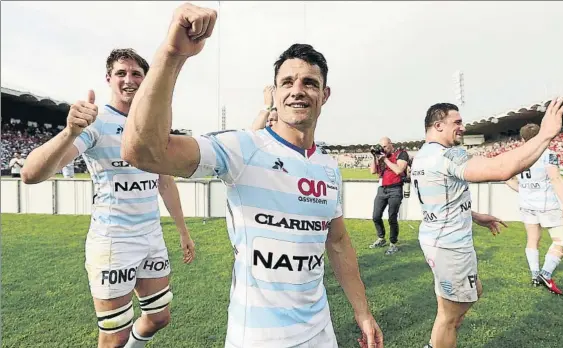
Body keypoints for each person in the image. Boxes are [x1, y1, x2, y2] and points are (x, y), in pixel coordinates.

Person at [121, 3, 383, 348]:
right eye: (287, 82)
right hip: (257, 337)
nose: (297, 90)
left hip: (320, 334)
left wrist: (362, 312)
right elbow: (142, 151)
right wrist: (172, 54)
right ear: (274, 94)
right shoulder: (243, 148)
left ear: (325, 94)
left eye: (310, 82)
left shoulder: (328, 167)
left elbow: (337, 241)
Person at [20, 48, 195, 348]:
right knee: (114, 338)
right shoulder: (97, 122)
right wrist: (70, 132)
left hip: (151, 237)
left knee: (160, 317)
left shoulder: (152, 124)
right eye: (121, 73)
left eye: (137, 74)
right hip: (113, 241)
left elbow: (164, 182)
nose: (129, 80)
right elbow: (30, 174)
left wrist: (183, 232)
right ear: (108, 79)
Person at [411, 99, 563, 348]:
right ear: (438, 125)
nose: (463, 127)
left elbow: (440, 199)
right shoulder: (446, 156)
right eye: (457, 122)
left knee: (467, 297)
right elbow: (502, 168)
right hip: (450, 247)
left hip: (437, 241)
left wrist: (473, 215)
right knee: (449, 317)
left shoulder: (423, 155)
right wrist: (546, 135)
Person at [505, 123, 563, 295]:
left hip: (527, 204)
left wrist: (524, 190)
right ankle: (545, 274)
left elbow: (507, 179)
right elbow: (555, 179)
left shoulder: (518, 156)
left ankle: (534, 275)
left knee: (533, 239)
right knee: (560, 240)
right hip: (547, 205)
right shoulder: (547, 154)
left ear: (522, 139)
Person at [368, 137, 409, 255]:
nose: (383, 149)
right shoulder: (381, 156)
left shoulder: (401, 154)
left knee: (392, 217)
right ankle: (381, 238)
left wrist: (385, 159)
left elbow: (399, 170)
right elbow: (372, 171)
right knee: (376, 216)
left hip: (396, 188)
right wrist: (374, 156)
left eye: (385, 147)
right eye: (382, 147)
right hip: (382, 189)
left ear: (391, 145)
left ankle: (393, 244)